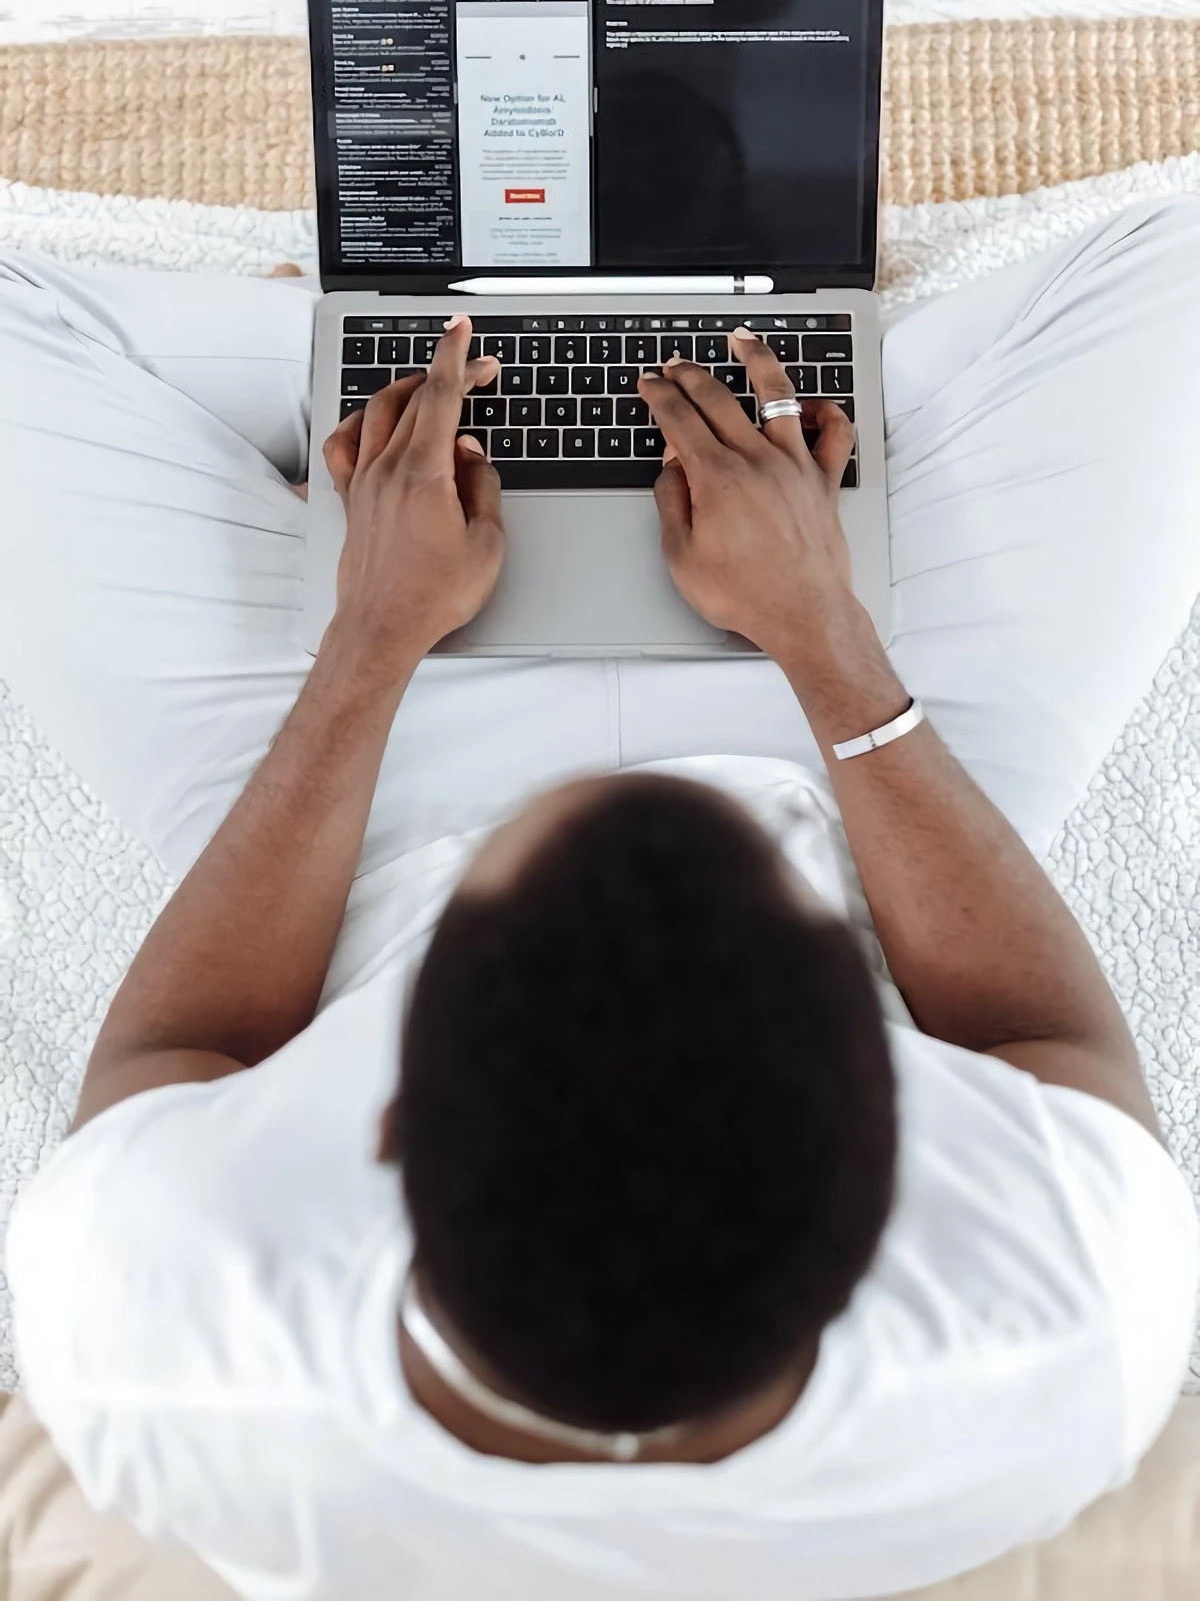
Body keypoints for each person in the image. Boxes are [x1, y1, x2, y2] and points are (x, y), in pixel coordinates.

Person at [3, 198, 1199, 1601]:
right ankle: (795, 373)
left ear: (383, 1125)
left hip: (372, 807)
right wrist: (824, 637)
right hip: (848, 765)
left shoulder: (156, 1341)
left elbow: (174, 1054)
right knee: (1162, 245)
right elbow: (1037, 1032)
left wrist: (372, 642)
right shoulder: (1070, 1331)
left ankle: (397, 352)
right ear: (894, 1135)